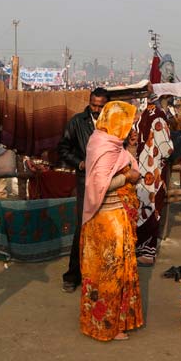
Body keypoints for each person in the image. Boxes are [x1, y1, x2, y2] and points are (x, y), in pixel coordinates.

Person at [79, 101, 144, 341]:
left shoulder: (111, 143)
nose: (129, 128)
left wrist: (132, 150)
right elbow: (100, 185)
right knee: (110, 273)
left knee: (115, 272)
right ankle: (107, 324)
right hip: (107, 219)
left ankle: (114, 321)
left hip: (116, 217)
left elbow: (127, 164)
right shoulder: (103, 146)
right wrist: (127, 176)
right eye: (126, 123)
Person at [58, 87, 109, 292]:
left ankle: (99, 276)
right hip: (85, 181)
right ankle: (72, 275)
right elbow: (63, 148)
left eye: (100, 106)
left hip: (108, 182)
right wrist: (79, 163)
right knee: (82, 227)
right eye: (93, 105)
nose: (96, 110)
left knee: (104, 229)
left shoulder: (113, 124)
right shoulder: (77, 122)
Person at [133, 97, 174, 266]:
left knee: (140, 209)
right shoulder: (158, 116)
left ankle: (138, 247)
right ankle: (148, 253)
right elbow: (166, 149)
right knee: (153, 209)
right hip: (154, 171)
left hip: (138, 169)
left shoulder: (140, 115)